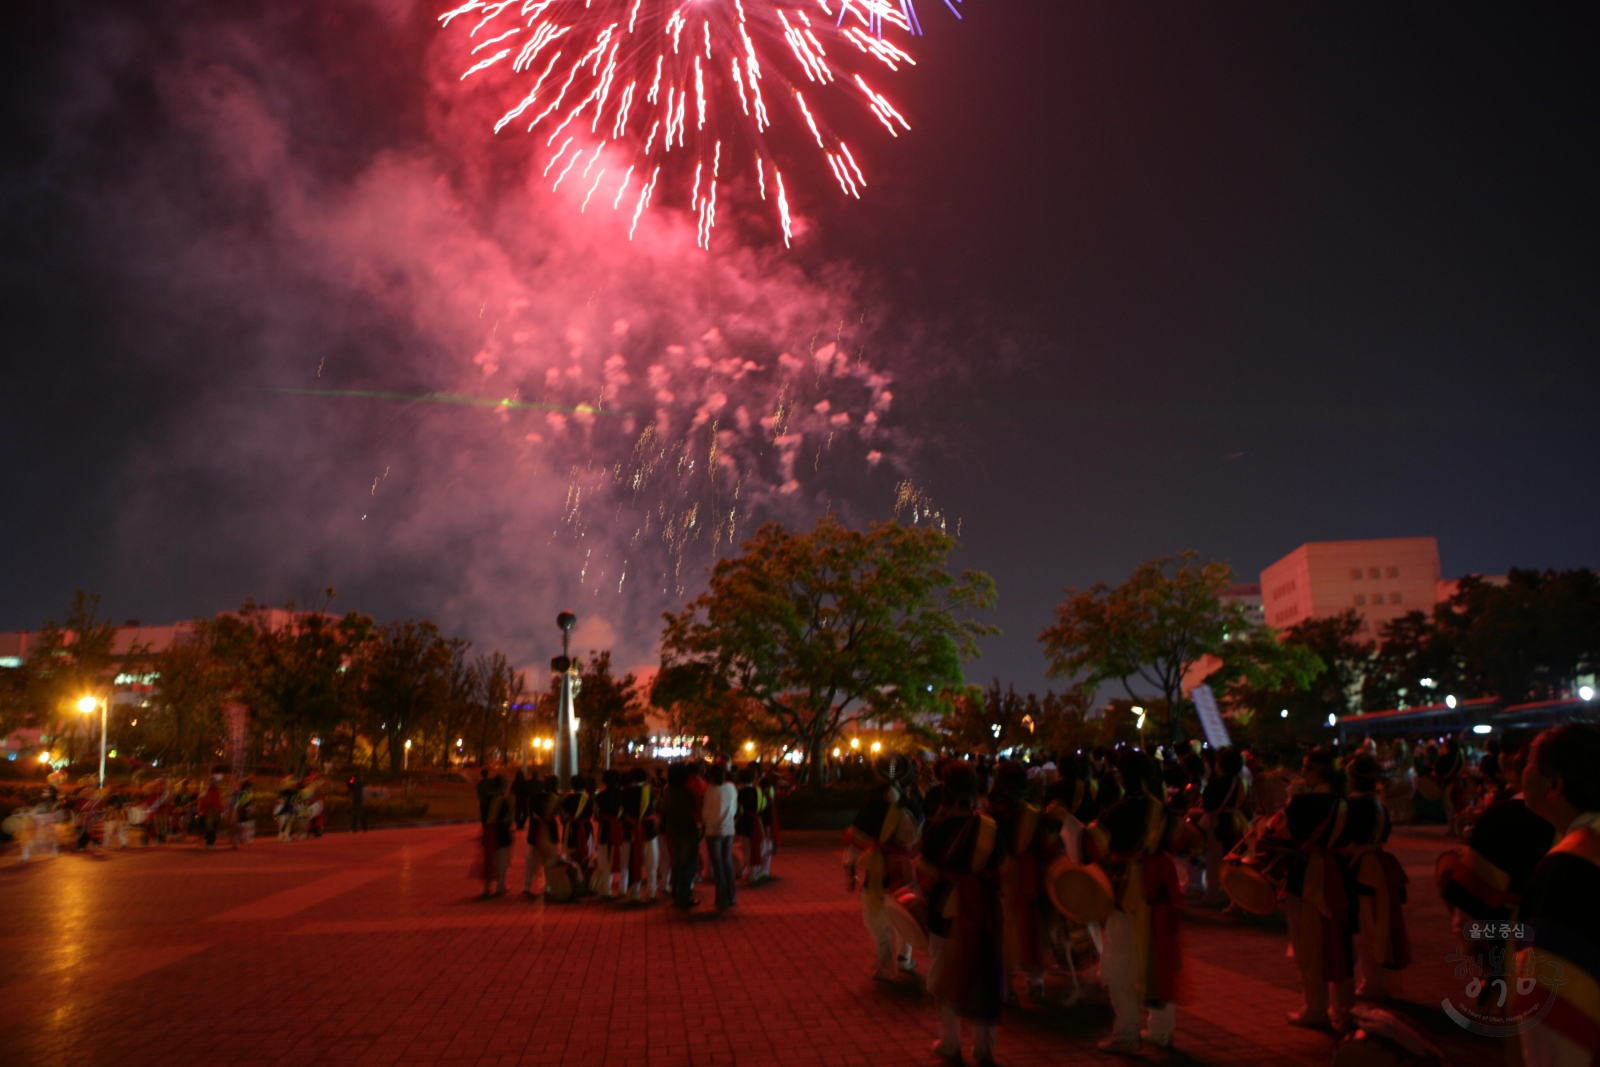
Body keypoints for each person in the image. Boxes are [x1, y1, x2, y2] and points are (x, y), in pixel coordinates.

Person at [1083, 751, 1182, 1052]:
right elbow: (1178, 841)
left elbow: (1090, 847)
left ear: (1123, 777)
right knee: (1157, 961)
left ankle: (1126, 1032)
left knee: (1118, 964)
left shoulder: (1118, 811)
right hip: (1159, 893)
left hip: (1126, 892)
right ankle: (1162, 1030)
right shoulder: (1163, 809)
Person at [1516, 722, 1600, 1067]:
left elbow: (1554, 1014)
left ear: (1554, 785)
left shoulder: (1569, 868)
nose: (1520, 772)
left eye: (1528, 765)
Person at [919, 762, 1003, 1067]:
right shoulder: (990, 826)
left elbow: (926, 869)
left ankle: (950, 1043)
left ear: (945, 791)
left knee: (944, 976)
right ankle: (984, 1050)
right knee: (985, 974)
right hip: (982, 908)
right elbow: (1002, 868)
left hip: (946, 908)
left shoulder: (937, 828)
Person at [1277, 748, 1356, 1031]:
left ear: (1319, 772)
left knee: (1308, 943)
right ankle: (1344, 1007)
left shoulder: (1302, 804)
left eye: (1307, 769)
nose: (1302, 773)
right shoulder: (1344, 802)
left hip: (1307, 875)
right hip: (1338, 877)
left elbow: (1284, 836)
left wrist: (1288, 805)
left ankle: (1315, 1008)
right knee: (1339, 942)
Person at [844, 754, 921, 980]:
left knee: (875, 915)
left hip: (878, 865)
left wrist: (849, 867)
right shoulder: (913, 800)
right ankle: (904, 958)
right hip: (907, 868)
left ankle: (884, 959)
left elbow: (859, 837)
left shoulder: (874, 801)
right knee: (907, 912)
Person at [1342, 754, 1410, 1001]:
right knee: (1379, 926)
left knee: (1367, 930)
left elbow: (1349, 838)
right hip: (1376, 867)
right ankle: (1376, 980)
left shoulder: (1353, 805)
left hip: (1361, 869)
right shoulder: (1377, 804)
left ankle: (1373, 982)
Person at [987, 761, 1052, 1005]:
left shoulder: (990, 816)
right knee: (1031, 930)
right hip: (1030, 880)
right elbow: (1046, 847)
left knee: (1002, 933)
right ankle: (1036, 981)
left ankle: (1008, 988)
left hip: (1001, 880)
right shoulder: (1035, 813)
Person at [1200, 749, 1249, 908]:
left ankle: (1214, 895)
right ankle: (1233, 896)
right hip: (1237, 823)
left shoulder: (1217, 782)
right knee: (1233, 860)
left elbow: (1207, 805)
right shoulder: (1242, 782)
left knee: (1214, 861)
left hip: (1219, 824)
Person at [662, 763, 702, 908]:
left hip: (673, 831)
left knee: (678, 863)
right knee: (687, 865)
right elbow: (696, 812)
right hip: (688, 832)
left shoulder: (667, 790)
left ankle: (676, 892)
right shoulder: (687, 793)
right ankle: (684, 897)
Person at [702, 763, 738, 909]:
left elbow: (706, 813)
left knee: (717, 864)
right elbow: (734, 807)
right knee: (727, 862)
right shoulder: (731, 788)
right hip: (728, 829)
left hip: (713, 831)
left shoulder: (710, 791)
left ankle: (721, 898)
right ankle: (732, 895)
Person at [622, 767, 660, 903]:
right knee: (651, 863)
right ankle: (651, 892)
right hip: (648, 830)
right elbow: (654, 808)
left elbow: (623, 813)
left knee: (633, 861)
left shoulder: (624, 792)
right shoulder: (650, 791)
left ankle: (635, 893)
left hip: (631, 831)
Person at [524, 774, 564, 898]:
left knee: (531, 861)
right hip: (549, 832)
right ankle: (547, 887)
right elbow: (561, 815)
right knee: (549, 862)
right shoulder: (556, 798)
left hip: (535, 831)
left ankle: (526, 886)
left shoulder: (534, 796)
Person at [594, 769, 628, 899]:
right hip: (622, 830)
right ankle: (623, 888)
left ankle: (607, 889)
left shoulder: (599, 796)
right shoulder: (625, 795)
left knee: (605, 859)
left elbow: (596, 816)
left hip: (606, 829)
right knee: (624, 858)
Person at [479, 775, 513, 898]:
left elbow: (484, 818)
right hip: (502, 834)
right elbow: (509, 819)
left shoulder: (485, 800)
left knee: (489, 860)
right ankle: (500, 886)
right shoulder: (505, 800)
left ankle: (486, 888)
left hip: (488, 833)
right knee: (502, 861)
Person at [562, 774, 597, 891]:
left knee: (571, 854)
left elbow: (563, 817)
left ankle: (574, 880)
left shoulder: (567, 800)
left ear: (572, 785)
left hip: (571, 829)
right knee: (588, 853)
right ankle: (587, 881)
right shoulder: (589, 799)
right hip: (586, 828)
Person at [231, 777, 255, 848]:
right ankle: (239, 842)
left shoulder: (244, 793)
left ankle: (241, 841)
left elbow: (242, 802)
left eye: (239, 785)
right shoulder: (241, 793)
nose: (238, 786)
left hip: (242, 812)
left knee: (242, 827)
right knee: (240, 827)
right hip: (241, 812)